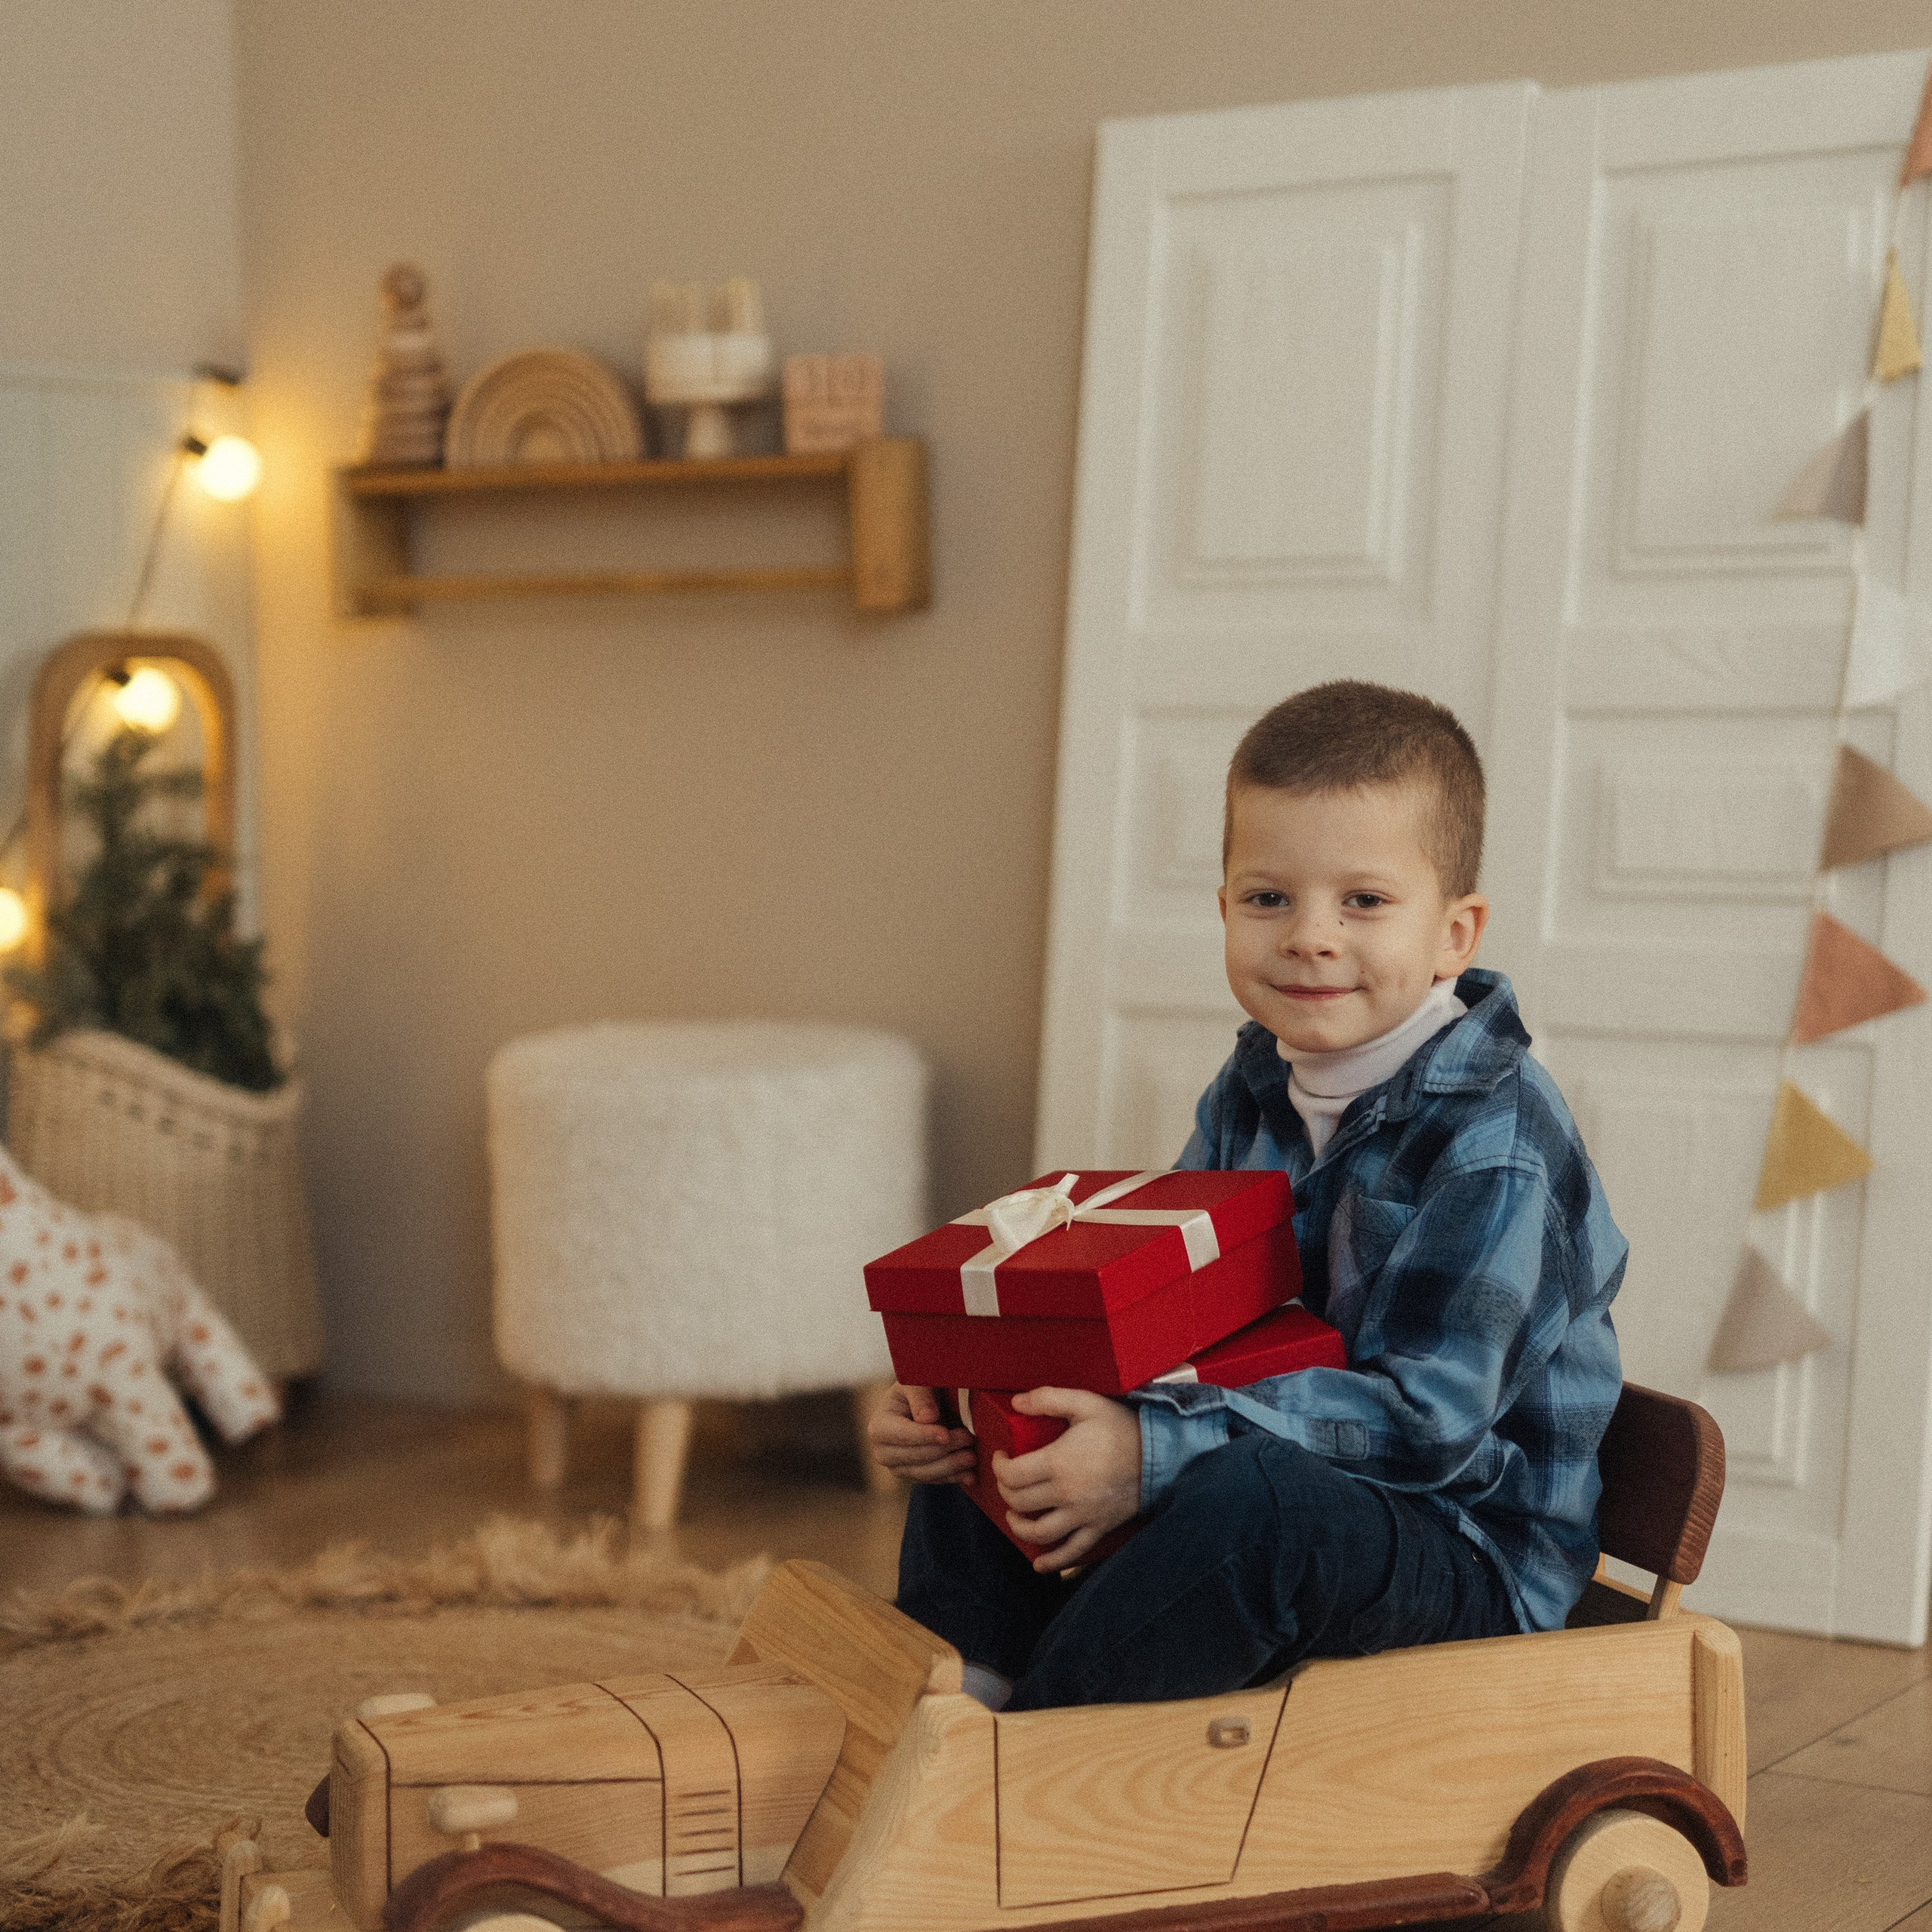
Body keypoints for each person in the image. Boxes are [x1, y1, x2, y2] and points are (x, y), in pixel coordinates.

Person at [869, 680, 1626, 1712]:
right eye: (1270, 899)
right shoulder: (1256, 1084)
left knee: (1264, 1504)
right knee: (1019, 1384)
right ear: (1224, 908)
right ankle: (969, 1682)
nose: (1311, 936)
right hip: (1287, 1472)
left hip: (1462, 1551)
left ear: (1456, 934)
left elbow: (1428, 1426)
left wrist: (1153, 1449)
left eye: (1363, 902)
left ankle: (1038, 1752)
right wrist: (963, 1391)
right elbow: (1174, 1313)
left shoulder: (1497, 1144)